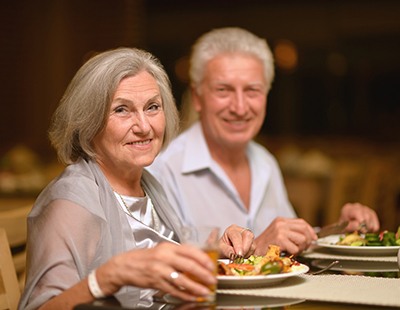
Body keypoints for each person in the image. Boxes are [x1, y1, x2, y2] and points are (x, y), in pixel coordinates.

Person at [18, 47, 255, 310]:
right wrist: (105, 279)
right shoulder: (72, 203)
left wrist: (213, 252)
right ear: (88, 122)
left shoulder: (149, 185)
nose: (144, 127)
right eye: (122, 110)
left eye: (152, 107)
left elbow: (155, 280)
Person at [148, 27, 380, 256]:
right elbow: (160, 271)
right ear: (198, 98)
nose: (239, 108)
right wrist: (256, 248)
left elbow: (287, 243)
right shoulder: (163, 169)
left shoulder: (264, 161)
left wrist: (339, 233)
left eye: (252, 90)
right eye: (223, 90)